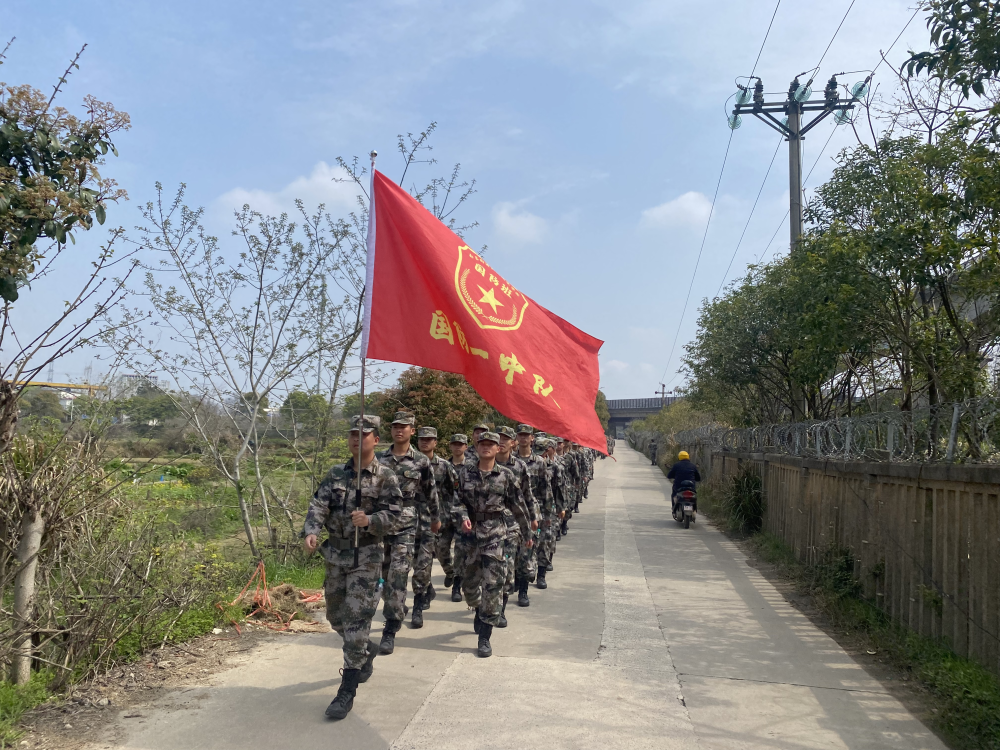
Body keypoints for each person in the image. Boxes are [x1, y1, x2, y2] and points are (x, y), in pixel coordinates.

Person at [302, 415, 402, 720]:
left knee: (357, 623)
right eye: (352, 434)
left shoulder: (386, 476)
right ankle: (364, 650)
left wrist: (371, 521)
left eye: (364, 434)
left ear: (376, 439)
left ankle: (347, 690)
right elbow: (318, 504)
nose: (356, 439)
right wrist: (311, 530)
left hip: (367, 558)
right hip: (336, 556)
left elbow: (396, 513)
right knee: (336, 617)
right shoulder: (336, 474)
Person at [454, 431, 531, 658]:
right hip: (469, 537)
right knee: (468, 585)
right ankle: (478, 608)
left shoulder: (506, 476)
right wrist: (461, 516)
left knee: (493, 585)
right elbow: (455, 500)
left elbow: (518, 506)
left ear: (498, 449)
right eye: (482, 444)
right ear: (476, 447)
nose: (486, 447)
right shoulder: (465, 473)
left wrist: (527, 532)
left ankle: (484, 636)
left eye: (491, 444)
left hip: (495, 535)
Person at [376, 411, 440, 655]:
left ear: (413, 430)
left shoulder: (421, 461)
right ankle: (396, 609)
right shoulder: (379, 458)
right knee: (383, 577)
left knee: (399, 575)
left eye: (404, 427)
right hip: (380, 526)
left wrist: (435, 519)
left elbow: (430, 493)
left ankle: (390, 628)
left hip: (406, 526)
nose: (399, 430)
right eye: (395, 426)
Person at [412, 426, 457, 629]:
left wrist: (447, 514)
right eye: (422, 439)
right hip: (409, 522)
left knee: (432, 557)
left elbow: (454, 491)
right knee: (415, 562)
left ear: (436, 443)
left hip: (435, 521)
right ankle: (427, 588)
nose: (425, 442)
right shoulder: (410, 464)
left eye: (429, 439)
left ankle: (418, 605)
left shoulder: (445, 466)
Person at [513, 424, 550, 606]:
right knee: (513, 552)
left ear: (532, 438)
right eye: (520, 435)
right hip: (512, 513)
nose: (523, 438)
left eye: (527, 435)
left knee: (528, 551)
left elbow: (545, 490)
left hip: (533, 512)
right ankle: (514, 580)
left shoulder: (539, 462)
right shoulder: (510, 461)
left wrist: (547, 514)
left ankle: (523, 590)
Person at [447, 434, 472, 602]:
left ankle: (458, 585)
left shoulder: (471, 467)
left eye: (460, 444)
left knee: (461, 551)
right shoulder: (444, 465)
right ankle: (450, 573)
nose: (457, 447)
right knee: (442, 550)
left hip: (464, 516)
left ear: (466, 447)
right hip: (445, 514)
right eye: (454, 444)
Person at [666, 450, 701, 514]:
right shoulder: (693, 466)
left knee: (674, 494)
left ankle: (674, 508)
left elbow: (669, 475)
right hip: (691, 487)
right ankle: (694, 509)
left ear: (679, 457)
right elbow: (698, 478)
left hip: (678, 486)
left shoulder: (676, 465)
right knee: (694, 496)